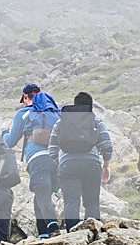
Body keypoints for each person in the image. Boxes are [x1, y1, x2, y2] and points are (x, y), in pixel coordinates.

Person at [1, 83, 62, 238]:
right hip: (57, 158)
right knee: (40, 195)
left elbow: (10, 141)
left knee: (42, 195)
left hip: (37, 158)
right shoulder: (54, 113)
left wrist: (4, 130)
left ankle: (53, 228)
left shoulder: (23, 113)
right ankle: (43, 234)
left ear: (25, 96)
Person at [48, 92, 113, 231]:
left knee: (71, 202)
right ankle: (94, 236)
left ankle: (73, 236)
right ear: (90, 107)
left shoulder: (61, 122)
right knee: (92, 203)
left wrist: (61, 164)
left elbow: (52, 148)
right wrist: (106, 165)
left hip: (67, 165)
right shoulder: (95, 120)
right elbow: (106, 145)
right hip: (91, 164)